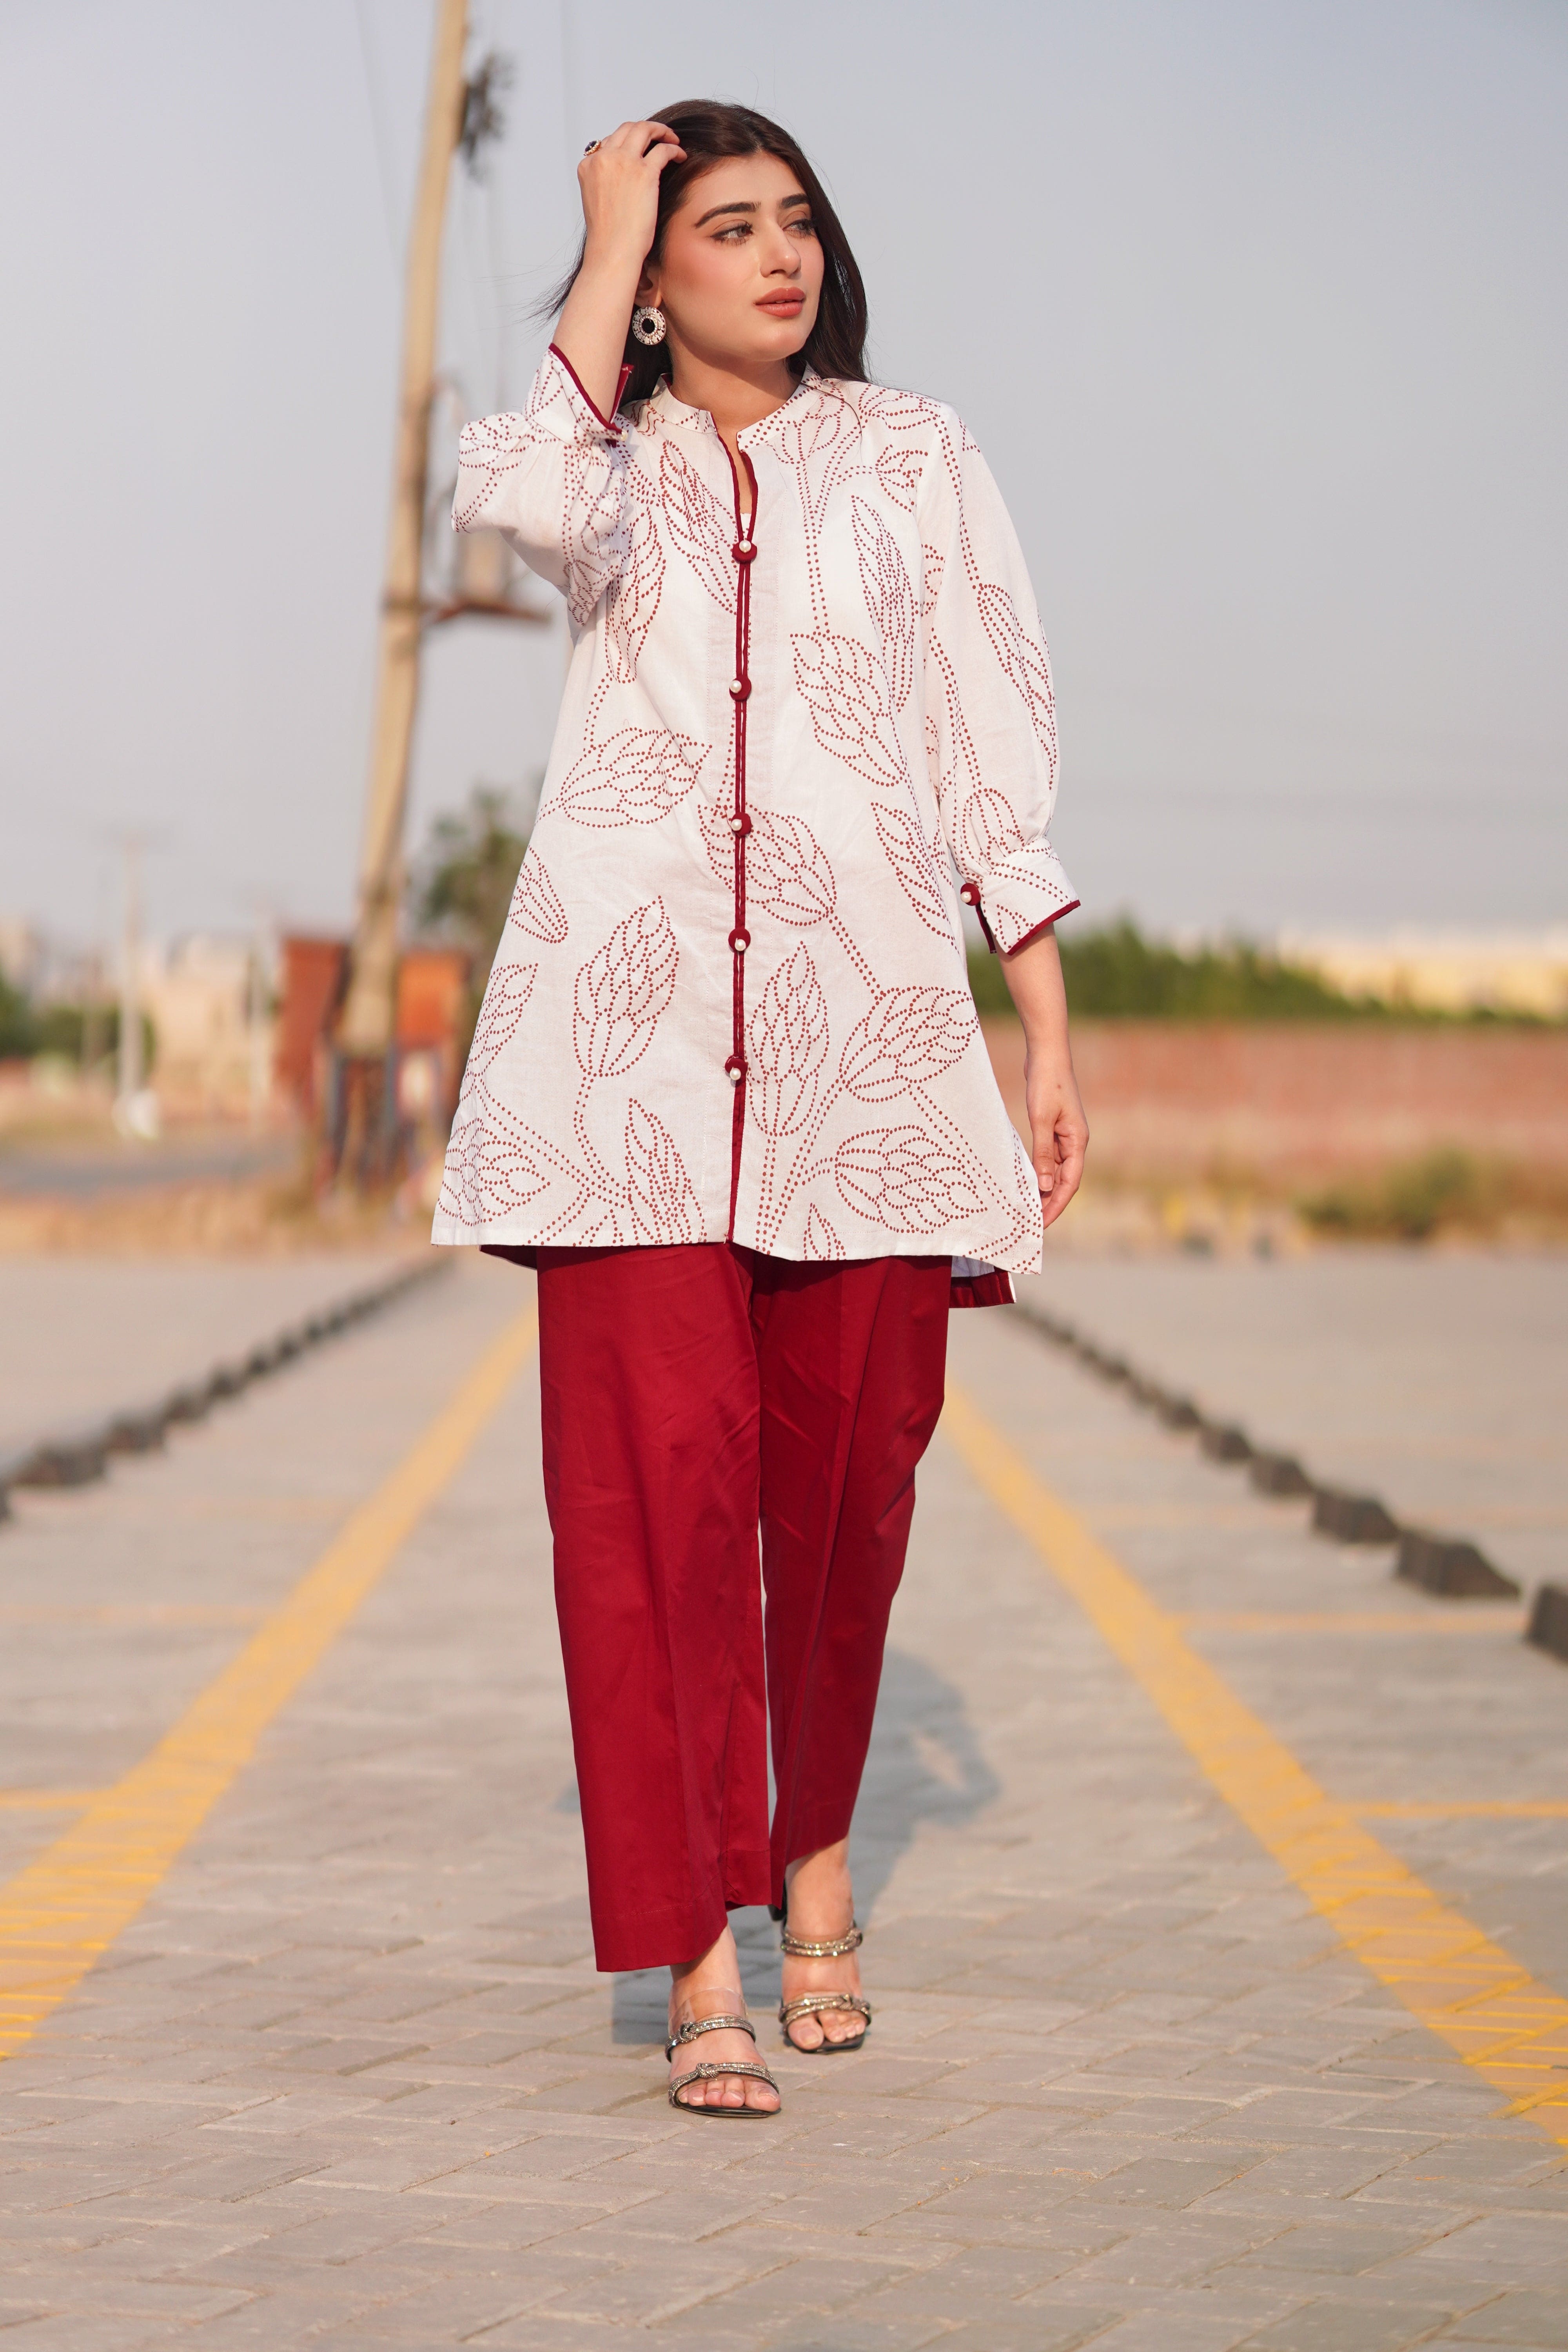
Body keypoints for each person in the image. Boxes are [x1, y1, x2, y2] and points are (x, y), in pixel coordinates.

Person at [433, 101, 1087, 2115]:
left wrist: (1042, 1030)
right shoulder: (600, 464)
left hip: (866, 1064)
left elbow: (986, 733)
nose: (779, 255)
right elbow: (508, 499)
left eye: (794, 219)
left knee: (847, 1493)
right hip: (617, 1081)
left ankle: (814, 1865)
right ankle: (697, 1957)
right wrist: (600, 235)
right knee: (653, 1516)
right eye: (723, 227)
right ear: (653, 279)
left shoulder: (913, 455)